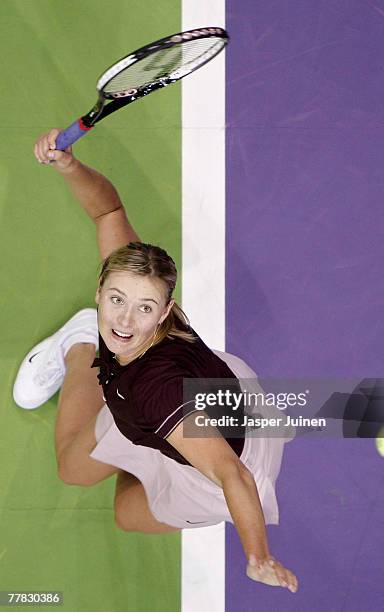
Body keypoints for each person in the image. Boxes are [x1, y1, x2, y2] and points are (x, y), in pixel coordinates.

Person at [13, 129, 299, 594]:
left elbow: (231, 474)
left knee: (127, 514)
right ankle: (79, 343)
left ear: (166, 311)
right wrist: (70, 165)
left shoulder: (154, 389)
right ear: (101, 288)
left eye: (144, 307)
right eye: (117, 299)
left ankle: (144, 440)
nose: (125, 321)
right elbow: (107, 210)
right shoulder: (140, 302)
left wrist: (257, 555)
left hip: (214, 462)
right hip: (211, 403)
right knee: (73, 469)